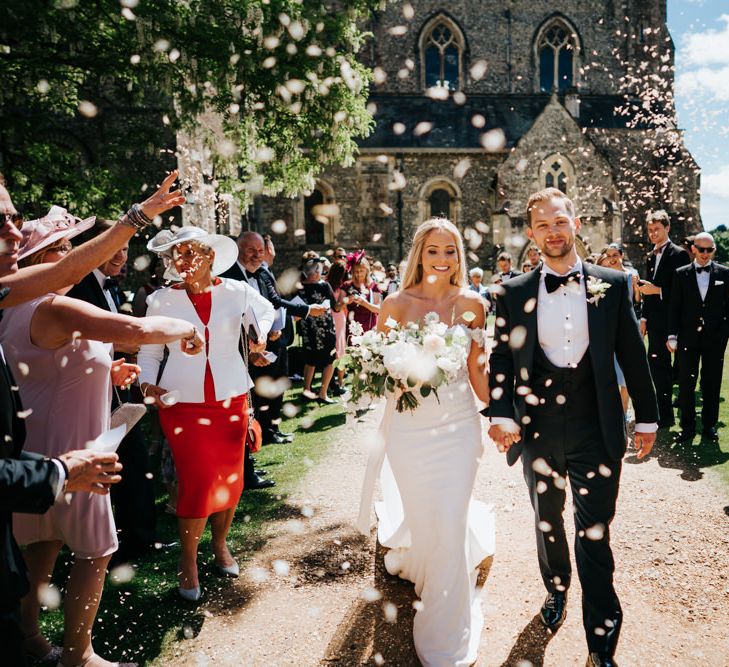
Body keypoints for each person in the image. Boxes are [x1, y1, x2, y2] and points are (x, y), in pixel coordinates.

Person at [0, 211, 202, 667]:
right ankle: (80, 655)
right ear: (41, 260)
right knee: (96, 553)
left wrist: (107, 371)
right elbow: (135, 332)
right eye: (61, 250)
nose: (70, 257)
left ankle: (31, 638)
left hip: (32, 454)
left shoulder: (12, 310)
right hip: (78, 453)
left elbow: (45, 369)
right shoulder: (54, 305)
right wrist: (189, 329)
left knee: (42, 548)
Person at [488, 188, 658, 667]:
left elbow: (632, 355)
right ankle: (556, 588)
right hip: (537, 428)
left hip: (596, 427)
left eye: (559, 222)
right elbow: (501, 356)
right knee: (548, 521)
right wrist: (502, 413)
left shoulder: (613, 283)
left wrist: (646, 417)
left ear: (576, 223)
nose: (553, 232)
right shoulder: (513, 291)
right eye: (542, 225)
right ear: (531, 233)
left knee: (596, 532)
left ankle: (600, 645)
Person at [357, 217, 494, 667]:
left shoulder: (473, 303)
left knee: (450, 521)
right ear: (419, 254)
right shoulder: (395, 305)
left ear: (459, 256)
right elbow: (376, 372)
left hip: (458, 429)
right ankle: (429, 565)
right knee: (428, 519)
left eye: (450, 250)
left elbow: (477, 372)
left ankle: (443, 635)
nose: (441, 259)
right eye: (433, 250)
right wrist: (393, 370)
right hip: (410, 433)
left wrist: (505, 411)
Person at [138, 226, 275, 601]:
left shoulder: (236, 291)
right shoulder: (161, 301)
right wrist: (148, 385)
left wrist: (260, 335)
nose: (184, 261)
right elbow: (149, 353)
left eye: (192, 253)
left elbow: (266, 312)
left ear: (210, 256)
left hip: (231, 398)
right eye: (178, 255)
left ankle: (219, 544)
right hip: (181, 402)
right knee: (197, 482)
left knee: (231, 482)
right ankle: (188, 560)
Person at [67, 224, 159, 565]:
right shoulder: (78, 286)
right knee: (112, 468)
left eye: (126, 249)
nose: (122, 255)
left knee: (132, 463)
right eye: (116, 248)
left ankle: (140, 538)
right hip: (92, 394)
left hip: (115, 390)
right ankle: (114, 543)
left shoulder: (107, 284)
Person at [222, 232, 327, 447]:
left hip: (272, 342)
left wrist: (296, 315)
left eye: (260, 251)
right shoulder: (228, 276)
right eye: (252, 250)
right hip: (241, 349)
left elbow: (274, 302)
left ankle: (271, 430)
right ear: (238, 250)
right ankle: (254, 437)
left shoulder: (263, 273)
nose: (257, 255)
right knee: (253, 395)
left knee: (276, 387)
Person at [668, 232, 729, 442]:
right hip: (687, 338)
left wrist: (723, 336)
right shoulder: (680, 274)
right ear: (693, 248)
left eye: (709, 250)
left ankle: (709, 426)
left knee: (712, 383)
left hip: (715, 340)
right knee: (686, 383)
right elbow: (674, 308)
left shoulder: (725, 273)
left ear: (714, 250)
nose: (704, 254)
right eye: (701, 249)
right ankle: (687, 428)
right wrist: (671, 335)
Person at [637, 210, 691, 427]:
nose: (653, 234)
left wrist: (657, 291)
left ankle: (688, 420)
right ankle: (664, 417)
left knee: (682, 372)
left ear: (667, 228)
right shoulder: (650, 257)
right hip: (657, 324)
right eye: (650, 230)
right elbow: (647, 292)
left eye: (656, 229)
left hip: (677, 322)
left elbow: (684, 291)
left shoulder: (680, 254)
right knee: (658, 370)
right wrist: (644, 318)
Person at [597, 244, 642, 415]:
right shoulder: (605, 276)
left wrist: (637, 288)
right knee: (612, 369)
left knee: (625, 373)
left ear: (621, 255)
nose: (612, 258)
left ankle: (623, 412)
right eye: (609, 255)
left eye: (615, 254)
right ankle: (614, 410)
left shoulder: (632, 274)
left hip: (628, 326)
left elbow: (637, 300)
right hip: (610, 327)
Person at [298, 259, 338, 404]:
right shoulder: (324, 286)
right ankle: (322, 393)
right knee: (330, 359)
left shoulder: (300, 287)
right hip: (324, 327)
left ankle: (307, 391)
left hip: (309, 328)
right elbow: (336, 307)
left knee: (311, 360)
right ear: (315, 271)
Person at [341, 251, 380, 338]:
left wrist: (364, 303)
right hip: (352, 329)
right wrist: (347, 301)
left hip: (370, 329)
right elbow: (337, 306)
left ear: (367, 270)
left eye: (361, 271)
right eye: (356, 271)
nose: (358, 274)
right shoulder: (347, 285)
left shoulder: (374, 286)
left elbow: (379, 309)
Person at [326, 260, 349, 395]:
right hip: (339, 317)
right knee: (340, 349)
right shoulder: (343, 288)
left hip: (331, 317)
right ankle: (339, 382)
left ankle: (332, 383)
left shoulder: (327, 284)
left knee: (334, 348)